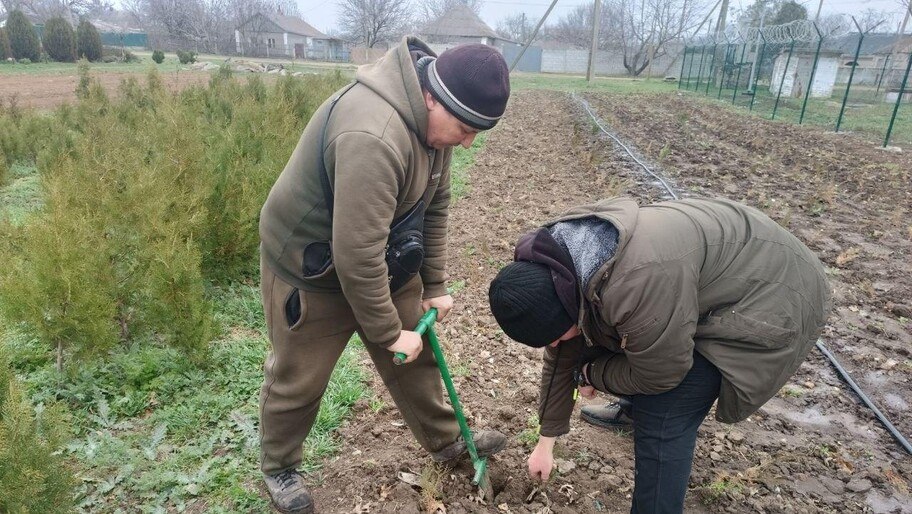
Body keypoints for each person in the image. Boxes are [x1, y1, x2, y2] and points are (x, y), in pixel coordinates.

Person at [258, 37, 511, 514]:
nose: (467, 142)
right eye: (464, 128)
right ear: (431, 97)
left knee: (418, 357)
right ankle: (279, 467)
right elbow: (355, 255)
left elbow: (435, 207)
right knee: (299, 378)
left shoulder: (435, 128)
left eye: (476, 131)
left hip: (382, 254)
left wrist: (433, 285)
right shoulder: (372, 135)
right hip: (311, 267)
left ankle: (445, 440)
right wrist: (388, 332)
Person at [488, 197, 830, 513]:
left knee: (665, 409)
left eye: (556, 336)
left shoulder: (635, 284)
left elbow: (662, 373)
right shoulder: (559, 263)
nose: (555, 344)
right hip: (708, 280)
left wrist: (591, 374)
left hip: (776, 295)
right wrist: (545, 442)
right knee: (620, 336)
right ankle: (631, 409)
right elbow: (564, 352)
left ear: (564, 306)